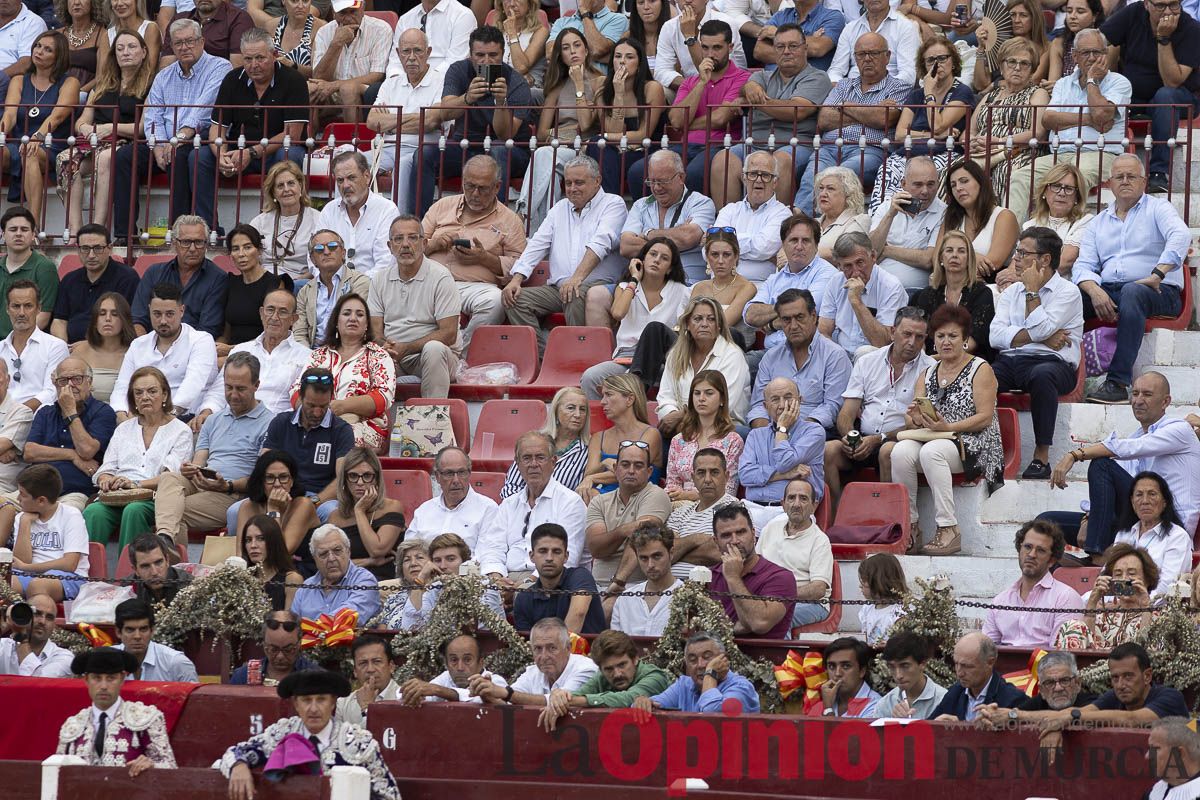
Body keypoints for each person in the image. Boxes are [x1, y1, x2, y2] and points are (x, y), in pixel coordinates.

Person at [1072, 155, 1192, 405]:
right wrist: (1095, 291)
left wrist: (1158, 273)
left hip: (1159, 290)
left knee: (1131, 292)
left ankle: (1117, 383)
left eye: (1131, 176)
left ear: (1144, 181)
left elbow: (1180, 235)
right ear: (1110, 183)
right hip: (1110, 290)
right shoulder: (1098, 222)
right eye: (1119, 177)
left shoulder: (1158, 208)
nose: (1125, 181)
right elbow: (1083, 266)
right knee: (1070, 297)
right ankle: (1067, 375)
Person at [1045, 372, 1200, 563]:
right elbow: (1110, 486)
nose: (1138, 401)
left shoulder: (1179, 429)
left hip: (1170, 525)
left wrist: (1074, 455)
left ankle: (1097, 556)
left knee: (1102, 464)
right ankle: (1090, 558)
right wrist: (1089, 519)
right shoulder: (1136, 436)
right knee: (1046, 524)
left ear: (1165, 401)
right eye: (1135, 394)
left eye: (1147, 394)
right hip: (1137, 520)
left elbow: (1129, 449)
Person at [892, 305, 1004, 555]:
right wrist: (916, 419)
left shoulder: (980, 368)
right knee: (900, 451)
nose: (946, 342)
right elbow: (915, 417)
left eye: (953, 336)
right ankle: (910, 526)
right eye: (940, 336)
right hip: (936, 436)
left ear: (965, 339)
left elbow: (985, 418)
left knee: (932, 451)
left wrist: (948, 427)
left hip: (975, 441)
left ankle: (948, 528)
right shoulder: (927, 373)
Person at [112, 21, 229, 240]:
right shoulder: (164, 75)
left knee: (180, 155)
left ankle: (178, 233)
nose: (184, 47)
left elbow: (205, 108)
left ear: (202, 42)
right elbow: (152, 115)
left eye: (189, 41)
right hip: (164, 141)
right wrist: (158, 145)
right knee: (125, 156)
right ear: (172, 47)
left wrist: (178, 138)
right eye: (178, 43)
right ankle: (124, 234)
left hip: (197, 137)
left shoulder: (219, 67)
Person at [1006, 28, 1131, 223]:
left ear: (1106, 54)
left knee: (1075, 177)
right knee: (1020, 177)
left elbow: (1101, 114)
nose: (1092, 57)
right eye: (1086, 52)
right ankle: (1011, 236)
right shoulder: (1063, 83)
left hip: (1100, 153)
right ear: (1074, 56)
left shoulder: (1119, 82)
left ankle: (1067, 231)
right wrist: (1090, 120)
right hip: (1060, 155)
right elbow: (1048, 119)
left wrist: (1092, 81)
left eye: (1097, 52)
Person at [504, 155, 627, 355]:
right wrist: (516, 279)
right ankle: (545, 358)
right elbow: (537, 244)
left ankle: (577, 358)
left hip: (598, 286)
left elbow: (601, 243)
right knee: (515, 300)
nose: (572, 188)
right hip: (559, 287)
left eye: (579, 182)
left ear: (597, 181)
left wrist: (576, 278)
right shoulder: (559, 208)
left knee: (573, 293)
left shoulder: (613, 204)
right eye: (568, 183)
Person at [152, 351, 272, 551]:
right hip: (204, 483)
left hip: (235, 493)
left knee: (173, 512)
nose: (233, 394)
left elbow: (263, 478)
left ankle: (170, 556)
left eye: (241, 388)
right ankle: (165, 538)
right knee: (169, 478)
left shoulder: (270, 423)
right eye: (228, 387)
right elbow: (200, 461)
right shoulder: (213, 420)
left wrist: (228, 486)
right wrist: (192, 469)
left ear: (256, 385)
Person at [219, 669, 400, 800]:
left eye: (321, 700)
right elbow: (235, 753)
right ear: (296, 704)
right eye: (306, 700)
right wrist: (239, 765)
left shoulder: (357, 743)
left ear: (333, 703)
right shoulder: (282, 733)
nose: (313, 709)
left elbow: (389, 796)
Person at [990, 228, 1083, 480]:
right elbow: (995, 336)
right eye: (1017, 252)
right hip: (1011, 360)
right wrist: (1043, 337)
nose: (1016, 258)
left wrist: (1032, 292)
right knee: (981, 375)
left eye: (1023, 253)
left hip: (1054, 364)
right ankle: (983, 450)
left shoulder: (1068, 292)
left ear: (1045, 259)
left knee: (1042, 375)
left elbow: (1039, 328)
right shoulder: (1011, 292)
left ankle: (1041, 457)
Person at [412, 25, 534, 216]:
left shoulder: (516, 82)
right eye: (480, 55)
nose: (486, 61)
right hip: (465, 146)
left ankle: (495, 222)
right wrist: (467, 98)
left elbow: (506, 134)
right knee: (424, 153)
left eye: (493, 55)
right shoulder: (459, 70)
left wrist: (500, 102)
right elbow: (444, 112)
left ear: (503, 54)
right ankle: (420, 223)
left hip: (510, 151)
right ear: (470, 55)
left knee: (498, 149)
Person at [824, 307, 930, 514]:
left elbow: (918, 424)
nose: (912, 342)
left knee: (887, 451)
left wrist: (878, 438)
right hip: (862, 438)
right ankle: (835, 515)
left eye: (919, 337)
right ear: (893, 332)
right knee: (829, 450)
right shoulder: (867, 361)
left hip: (899, 440)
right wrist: (851, 439)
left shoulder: (929, 369)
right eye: (907, 334)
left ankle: (888, 519)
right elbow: (846, 413)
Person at [712, 24, 830, 210]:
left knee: (779, 161)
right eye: (780, 46)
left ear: (805, 48)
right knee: (723, 159)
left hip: (794, 145)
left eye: (793, 46)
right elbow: (747, 87)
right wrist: (749, 89)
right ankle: (727, 223)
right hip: (754, 143)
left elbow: (797, 110)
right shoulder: (762, 77)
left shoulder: (818, 77)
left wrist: (756, 101)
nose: (787, 51)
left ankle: (778, 223)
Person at [793, 32, 908, 215]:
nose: (867, 59)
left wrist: (844, 106)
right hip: (829, 148)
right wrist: (872, 110)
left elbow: (884, 119)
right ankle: (800, 220)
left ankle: (816, 223)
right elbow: (824, 119)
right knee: (811, 178)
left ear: (887, 56)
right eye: (861, 54)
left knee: (838, 177)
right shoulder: (843, 85)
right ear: (855, 58)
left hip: (869, 150)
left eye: (874, 53)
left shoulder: (899, 87)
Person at [421, 154, 525, 355]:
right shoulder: (442, 206)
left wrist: (483, 258)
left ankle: (461, 355)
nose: (475, 194)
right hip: (431, 281)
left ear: (497, 187)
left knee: (495, 301)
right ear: (462, 182)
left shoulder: (510, 220)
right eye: (469, 186)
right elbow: (412, 247)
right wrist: (434, 244)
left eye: (483, 188)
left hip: (474, 288)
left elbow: (519, 266)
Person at [84, 367, 192, 550]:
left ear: (165, 395)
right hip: (118, 495)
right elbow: (107, 467)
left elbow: (170, 477)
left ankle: (131, 568)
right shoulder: (124, 429)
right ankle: (87, 566)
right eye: (138, 393)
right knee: (94, 512)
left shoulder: (181, 431)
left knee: (134, 510)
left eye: (152, 391)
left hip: (153, 497)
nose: (145, 397)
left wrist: (134, 484)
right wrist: (106, 480)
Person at [1100, 0, 1200, 193]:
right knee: (1107, 92)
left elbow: (1172, 81)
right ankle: (1104, 167)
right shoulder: (1134, 12)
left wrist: (1163, 38)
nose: (1168, 11)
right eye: (1161, 5)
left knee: (1165, 96)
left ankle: (1158, 173)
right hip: (1135, 96)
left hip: (1180, 98)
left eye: (1174, 5)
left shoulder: (1191, 29)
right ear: (1146, 4)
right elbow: (1100, 39)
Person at [868, 36, 973, 212]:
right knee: (888, 169)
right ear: (924, 65)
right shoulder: (916, 95)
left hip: (943, 154)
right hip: (908, 153)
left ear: (953, 62)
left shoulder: (962, 92)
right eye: (930, 60)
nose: (937, 64)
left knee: (926, 178)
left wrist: (929, 94)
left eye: (942, 58)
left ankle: (919, 219)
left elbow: (938, 125)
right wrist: (932, 135)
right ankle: (880, 221)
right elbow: (900, 134)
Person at [62, 30, 152, 235]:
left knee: (105, 158)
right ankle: (76, 229)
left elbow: (142, 128)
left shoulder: (151, 84)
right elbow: (82, 121)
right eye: (120, 48)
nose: (125, 52)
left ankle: (98, 228)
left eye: (132, 47)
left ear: (144, 52)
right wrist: (85, 128)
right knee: (66, 160)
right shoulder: (102, 84)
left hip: (126, 143)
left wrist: (111, 128)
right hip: (95, 141)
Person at [517, 27, 604, 233]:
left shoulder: (600, 81)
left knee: (544, 154)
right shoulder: (557, 86)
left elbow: (587, 126)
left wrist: (579, 85)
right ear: (560, 56)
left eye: (577, 45)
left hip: (585, 150)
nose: (572, 51)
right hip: (560, 148)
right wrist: (564, 135)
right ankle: (545, 229)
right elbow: (541, 133)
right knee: (550, 172)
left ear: (586, 50)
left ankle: (522, 215)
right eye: (566, 48)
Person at [649, 19, 749, 195]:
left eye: (717, 48)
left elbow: (720, 118)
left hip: (720, 146)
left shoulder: (742, 78)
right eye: (705, 47)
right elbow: (676, 120)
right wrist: (702, 82)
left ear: (730, 47)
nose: (710, 54)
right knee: (640, 169)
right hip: (685, 145)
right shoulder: (691, 82)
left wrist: (687, 124)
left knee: (694, 173)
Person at [581, 238, 690, 397]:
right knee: (590, 377)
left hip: (660, 361)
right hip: (625, 359)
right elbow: (618, 313)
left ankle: (633, 392)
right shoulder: (625, 287)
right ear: (642, 259)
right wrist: (634, 279)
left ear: (669, 269)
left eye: (664, 258)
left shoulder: (682, 291)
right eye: (653, 254)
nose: (657, 260)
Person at [1036, 643, 1189, 754]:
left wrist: (1070, 718)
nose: (1120, 685)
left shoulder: (1171, 697)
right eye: (1115, 678)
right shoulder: (1114, 695)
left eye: (1128, 676)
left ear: (1147, 676)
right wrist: (1054, 725)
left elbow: (1132, 719)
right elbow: (1078, 712)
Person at [478, 432, 588, 586]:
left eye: (540, 457)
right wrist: (497, 580)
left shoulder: (570, 503)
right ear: (517, 464)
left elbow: (567, 558)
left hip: (550, 581)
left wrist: (526, 584)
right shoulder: (509, 504)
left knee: (525, 596)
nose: (533, 464)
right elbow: (492, 548)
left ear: (553, 462)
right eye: (527, 458)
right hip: (506, 577)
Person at [368, 215, 460, 400]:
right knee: (366, 355)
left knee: (434, 349)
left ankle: (432, 415)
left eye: (413, 237)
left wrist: (407, 348)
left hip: (433, 357)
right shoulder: (379, 279)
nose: (405, 244)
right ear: (390, 246)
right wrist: (385, 347)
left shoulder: (441, 277)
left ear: (424, 244)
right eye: (398, 239)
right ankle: (372, 417)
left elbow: (449, 334)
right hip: (394, 356)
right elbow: (375, 332)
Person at [298, 292, 394, 450]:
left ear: (367, 324)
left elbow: (383, 397)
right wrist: (316, 411)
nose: (353, 318)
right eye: (347, 313)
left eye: (360, 314)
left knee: (342, 436)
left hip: (363, 427)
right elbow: (297, 390)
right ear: (336, 321)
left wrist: (343, 406)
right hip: (315, 420)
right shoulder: (319, 355)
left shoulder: (378, 355)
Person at [55, 647, 175, 774]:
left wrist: (152, 766)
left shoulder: (146, 718)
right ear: (86, 680)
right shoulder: (73, 725)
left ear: (122, 679)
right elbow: (57, 770)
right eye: (97, 678)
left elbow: (170, 767)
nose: (103, 686)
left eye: (111, 678)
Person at [260, 366, 356, 526]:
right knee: (235, 511)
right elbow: (263, 467)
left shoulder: (342, 430)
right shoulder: (280, 422)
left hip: (320, 499)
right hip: (281, 493)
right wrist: (275, 498)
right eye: (311, 406)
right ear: (300, 397)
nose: (317, 413)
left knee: (334, 513)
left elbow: (342, 479)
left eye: (323, 406)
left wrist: (313, 502)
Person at [0, 31, 78, 223]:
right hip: (19, 143)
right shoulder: (19, 80)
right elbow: (10, 114)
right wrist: (1, 132)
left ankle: (32, 225)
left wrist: (38, 136)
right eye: (38, 46)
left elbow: (57, 116)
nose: (39, 51)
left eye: (48, 49)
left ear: (58, 57)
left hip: (51, 145)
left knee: (30, 152)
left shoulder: (70, 82)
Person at [366, 29, 446, 214]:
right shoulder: (390, 83)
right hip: (386, 148)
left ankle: (399, 222)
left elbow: (430, 122)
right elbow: (372, 121)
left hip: (419, 150)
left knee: (403, 165)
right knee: (350, 162)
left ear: (428, 52)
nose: (411, 57)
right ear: (398, 53)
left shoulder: (441, 81)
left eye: (417, 51)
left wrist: (391, 125)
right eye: (406, 51)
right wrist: (415, 117)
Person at [113, 282, 218, 423]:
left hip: (185, 417)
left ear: (182, 311)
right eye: (157, 314)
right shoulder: (138, 345)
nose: (163, 321)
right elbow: (122, 386)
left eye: (169, 314)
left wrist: (164, 418)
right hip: (142, 417)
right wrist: (121, 414)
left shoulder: (201, 340)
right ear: (149, 310)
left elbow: (192, 385)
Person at [199, 289, 312, 419]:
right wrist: (207, 412)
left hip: (274, 424)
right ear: (261, 313)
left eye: (282, 312)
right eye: (270, 310)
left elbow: (301, 405)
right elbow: (219, 391)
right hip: (231, 421)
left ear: (293, 319)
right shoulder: (241, 350)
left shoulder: (306, 357)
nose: (274, 317)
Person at [296, 447, 406, 581]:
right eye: (353, 476)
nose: (360, 482)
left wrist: (359, 511)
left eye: (367, 476)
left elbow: (377, 550)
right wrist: (368, 561)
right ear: (345, 480)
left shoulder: (392, 507)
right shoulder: (335, 517)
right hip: (344, 583)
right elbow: (328, 564)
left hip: (382, 582)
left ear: (376, 479)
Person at [749, 287, 850, 432]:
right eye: (786, 320)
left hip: (814, 433)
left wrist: (795, 433)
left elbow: (832, 407)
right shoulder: (771, 357)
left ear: (813, 316)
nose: (794, 326)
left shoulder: (834, 355)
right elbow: (759, 405)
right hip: (771, 431)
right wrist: (767, 435)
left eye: (799, 317)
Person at [537, 629, 673, 732]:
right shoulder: (601, 677)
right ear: (601, 669)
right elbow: (579, 694)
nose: (617, 674)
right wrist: (559, 698)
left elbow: (627, 698)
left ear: (635, 659)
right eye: (609, 669)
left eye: (622, 665)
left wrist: (570, 701)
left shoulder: (655, 676)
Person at [743, 215, 840, 357]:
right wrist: (787, 311)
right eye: (794, 240)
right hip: (770, 354)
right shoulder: (775, 278)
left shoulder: (827, 274)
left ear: (816, 246)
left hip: (809, 354)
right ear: (783, 245)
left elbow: (804, 310)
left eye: (806, 241)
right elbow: (750, 315)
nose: (799, 246)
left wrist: (771, 324)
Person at [653, 295, 750, 436]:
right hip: (680, 426)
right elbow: (665, 396)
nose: (704, 324)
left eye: (711, 319)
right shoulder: (675, 354)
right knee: (653, 437)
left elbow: (723, 405)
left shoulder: (732, 355)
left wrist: (681, 417)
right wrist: (672, 414)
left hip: (725, 428)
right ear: (687, 324)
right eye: (698, 319)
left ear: (719, 325)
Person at [616, 151, 713, 287]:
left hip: (685, 283)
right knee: (598, 294)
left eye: (662, 181)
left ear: (681, 177)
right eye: (652, 181)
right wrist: (676, 239)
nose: (656, 188)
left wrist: (648, 233)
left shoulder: (701, 203)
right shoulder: (640, 205)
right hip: (644, 283)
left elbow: (687, 237)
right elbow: (626, 246)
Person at [982, 519, 1084, 647]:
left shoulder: (1065, 598)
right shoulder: (1000, 600)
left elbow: (1061, 654)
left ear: (1052, 560)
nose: (1031, 554)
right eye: (1027, 547)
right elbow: (986, 649)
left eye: (1040, 550)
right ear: (1019, 549)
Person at [586, 39, 666, 199]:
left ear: (640, 64)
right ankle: (612, 203)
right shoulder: (603, 92)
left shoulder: (652, 88)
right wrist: (619, 95)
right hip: (617, 151)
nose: (622, 61)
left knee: (599, 143)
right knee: (599, 146)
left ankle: (608, 202)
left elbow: (643, 134)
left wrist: (606, 136)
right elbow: (614, 130)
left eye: (629, 57)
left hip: (646, 150)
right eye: (617, 56)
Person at [586, 439, 673, 587]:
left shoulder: (656, 494)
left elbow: (642, 537)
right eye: (625, 465)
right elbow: (596, 549)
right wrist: (623, 531)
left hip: (637, 586)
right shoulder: (599, 501)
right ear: (615, 468)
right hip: (596, 585)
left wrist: (618, 583)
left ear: (649, 472)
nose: (631, 471)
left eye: (638, 466)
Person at [740, 376, 826, 524]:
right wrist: (785, 474)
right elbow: (745, 475)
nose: (782, 405)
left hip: (792, 511)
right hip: (753, 507)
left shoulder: (814, 432)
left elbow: (784, 462)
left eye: (788, 398)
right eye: (775, 399)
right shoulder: (755, 435)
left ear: (800, 400)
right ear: (765, 406)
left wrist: (782, 428)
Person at [130, 216, 227, 338]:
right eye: (186, 242)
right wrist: (144, 345)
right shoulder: (154, 273)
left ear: (206, 244)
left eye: (198, 242)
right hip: (153, 344)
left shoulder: (217, 278)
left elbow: (208, 330)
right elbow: (138, 319)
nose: (192, 249)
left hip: (194, 346)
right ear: (175, 243)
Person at [968, 40, 1047, 192]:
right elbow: (971, 130)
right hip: (982, 152)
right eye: (1012, 62)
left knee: (1005, 172)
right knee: (955, 171)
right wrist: (973, 142)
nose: (1017, 68)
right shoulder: (990, 96)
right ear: (1001, 66)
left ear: (1032, 70)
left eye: (1024, 63)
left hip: (1019, 153)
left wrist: (999, 141)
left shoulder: (1038, 94)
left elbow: (1038, 133)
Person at [818, 232, 909, 361]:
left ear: (873, 256)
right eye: (847, 266)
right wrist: (837, 358)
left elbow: (882, 342)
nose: (855, 272)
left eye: (860, 263)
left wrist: (856, 302)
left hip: (876, 359)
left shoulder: (891, 286)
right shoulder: (836, 282)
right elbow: (823, 331)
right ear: (839, 266)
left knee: (863, 352)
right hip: (841, 355)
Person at [709, 502, 796, 638]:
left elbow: (759, 623)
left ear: (753, 534)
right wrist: (733, 628)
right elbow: (689, 627)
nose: (735, 540)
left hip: (760, 652)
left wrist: (733, 578)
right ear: (716, 542)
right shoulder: (708, 576)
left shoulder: (780, 577)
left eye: (741, 532)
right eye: (726, 535)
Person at [756, 477, 833, 630]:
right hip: (768, 599)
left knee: (777, 616)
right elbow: (755, 566)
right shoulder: (770, 528)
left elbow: (818, 589)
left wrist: (780, 595)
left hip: (810, 604)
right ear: (783, 504)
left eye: (803, 499)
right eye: (791, 498)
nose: (796, 504)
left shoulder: (820, 540)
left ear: (814, 506)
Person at [469, 616, 600, 704]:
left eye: (552, 648)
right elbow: (508, 703)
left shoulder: (586, 669)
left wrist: (505, 693)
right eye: (538, 648)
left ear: (568, 648)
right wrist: (487, 695)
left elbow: (559, 701)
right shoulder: (533, 672)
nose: (544, 656)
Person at [6, 464, 89, 601]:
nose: (18, 498)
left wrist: (28, 567)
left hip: (68, 577)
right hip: (29, 575)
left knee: (37, 586)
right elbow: (21, 561)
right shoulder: (22, 517)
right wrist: (25, 523)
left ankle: (36, 614)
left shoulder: (71, 515)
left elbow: (69, 564)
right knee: (5, 585)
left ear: (41, 501)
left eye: (22, 494)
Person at [577, 373, 663, 500]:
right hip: (603, 499)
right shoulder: (598, 437)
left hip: (639, 499)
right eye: (603, 396)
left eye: (609, 395)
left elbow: (631, 473)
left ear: (629, 399)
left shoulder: (650, 434)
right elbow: (587, 475)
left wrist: (593, 477)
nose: (602, 402)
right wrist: (604, 463)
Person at [1060, 542, 1160, 650]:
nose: (1124, 579)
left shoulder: (1159, 616)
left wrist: (1146, 607)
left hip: (1135, 660)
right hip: (1096, 660)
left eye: (1131, 573)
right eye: (1118, 574)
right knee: (1072, 626)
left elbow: (1148, 648)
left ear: (1147, 579)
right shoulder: (1102, 613)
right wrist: (1092, 602)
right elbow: (1086, 642)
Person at [912, 231, 995, 361]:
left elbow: (973, 342)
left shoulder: (982, 293)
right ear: (941, 258)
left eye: (961, 251)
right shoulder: (928, 294)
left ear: (969, 259)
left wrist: (935, 359)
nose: (954, 255)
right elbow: (919, 335)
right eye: (949, 250)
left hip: (969, 360)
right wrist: (922, 360)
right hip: (929, 361)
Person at [315, 151, 399, 278]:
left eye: (351, 178)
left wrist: (353, 285)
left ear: (367, 177)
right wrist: (330, 282)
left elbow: (386, 263)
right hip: (331, 284)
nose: (345, 185)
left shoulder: (386, 210)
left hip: (372, 286)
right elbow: (314, 255)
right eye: (340, 180)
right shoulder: (329, 210)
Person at [868, 156, 947, 292]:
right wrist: (890, 215)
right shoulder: (887, 207)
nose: (925, 191)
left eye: (930, 184)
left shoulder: (944, 213)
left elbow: (928, 259)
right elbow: (871, 250)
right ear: (903, 183)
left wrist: (886, 250)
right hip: (876, 287)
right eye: (918, 184)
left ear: (938, 183)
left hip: (912, 292)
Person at [711, 153, 793, 282]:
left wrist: (725, 241)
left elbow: (763, 248)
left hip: (759, 286)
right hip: (719, 283)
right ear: (744, 179)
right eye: (753, 174)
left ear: (775, 182)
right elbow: (709, 250)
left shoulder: (782, 214)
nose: (758, 180)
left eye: (765, 175)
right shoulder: (729, 210)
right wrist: (752, 244)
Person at [633, 632, 760, 714]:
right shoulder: (684, 685)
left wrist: (710, 674)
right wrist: (642, 702)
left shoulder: (741, 687)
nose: (700, 665)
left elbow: (712, 714)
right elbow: (648, 705)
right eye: (693, 660)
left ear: (724, 659)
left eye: (707, 657)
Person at [937, 158, 1020, 283]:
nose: (958, 188)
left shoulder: (1003, 216)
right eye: (953, 185)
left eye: (964, 181)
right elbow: (937, 257)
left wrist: (954, 257)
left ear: (980, 183)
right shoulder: (951, 218)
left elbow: (992, 264)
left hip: (991, 286)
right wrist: (975, 256)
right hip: (954, 284)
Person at [50, 227, 138, 343]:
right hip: (70, 347)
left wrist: (88, 347)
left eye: (98, 248)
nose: (91, 255)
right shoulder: (69, 280)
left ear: (110, 248)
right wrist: (63, 346)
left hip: (109, 348)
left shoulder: (127, 278)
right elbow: (59, 320)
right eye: (85, 248)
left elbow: (128, 325)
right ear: (78, 249)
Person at [514, 523, 606, 634]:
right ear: (532, 556)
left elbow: (578, 613)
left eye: (556, 552)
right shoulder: (523, 598)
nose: (549, 558)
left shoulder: (580, 576)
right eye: (543, 551)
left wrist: (558, 645)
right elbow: (526, 641)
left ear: (566, 556)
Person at [664, 370, 742, 501]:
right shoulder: (678, 440)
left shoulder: (733, 440)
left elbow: (729, 490)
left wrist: (689, 495)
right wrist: (677, 496)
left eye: (709, 393)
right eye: (697, 393)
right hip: (679, 505)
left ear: (722, 399)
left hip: (716, 506)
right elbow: (671, 484)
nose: (701, 398)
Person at [501, 387, 589, 501]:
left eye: (582, 409)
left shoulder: (589, 450)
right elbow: (511, 486)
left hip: (561, 510)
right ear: (556, 411)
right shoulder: (535, 442)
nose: (578, 414)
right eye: (571, 408)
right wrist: (527, 506)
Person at [1111, 472, 1193, 593]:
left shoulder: (1177, 536)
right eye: (1139, 495)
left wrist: (1141, 601)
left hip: (1156, 603)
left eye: (1152, 494)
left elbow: (1168, 585)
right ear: (1132, 502)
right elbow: (1108, 574)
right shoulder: (1123, 535)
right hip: (1121, 600)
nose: (1145, 501)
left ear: (1164, 502)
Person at [309, 0, 388, 122]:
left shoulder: (381, 29)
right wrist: (336, 44)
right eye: (342, 13)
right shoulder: (324, 32)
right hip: (329, 91)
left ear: (363, 8)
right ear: (333, 13)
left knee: (348, 89)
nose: (348, 18)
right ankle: (308, 134)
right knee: (310, 89)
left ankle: (353, 135)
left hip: (364, 90)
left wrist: (336, 85)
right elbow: (318, 77)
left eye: (353, 11)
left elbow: (377, 75)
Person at [217, 227, 292, 353]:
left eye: (247, 247)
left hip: (263, 351)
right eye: (235, 249)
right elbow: (226, 333)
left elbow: (274, 334)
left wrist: (231, 349)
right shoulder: (231, 283)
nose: (241, 254)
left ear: (259, 250)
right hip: (230, 352)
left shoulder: (275, 284)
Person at [1016, 163, 1094, 283]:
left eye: (1069, 189)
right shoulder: (1031, 225)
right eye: (1056, 186)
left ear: (1077, 197)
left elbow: (1064, 263)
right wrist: (1008, 276)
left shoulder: (1085, 222)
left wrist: (1021, 276)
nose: (1061, 193)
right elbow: (1016, 263)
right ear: (1044, 192)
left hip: (1061, 287)